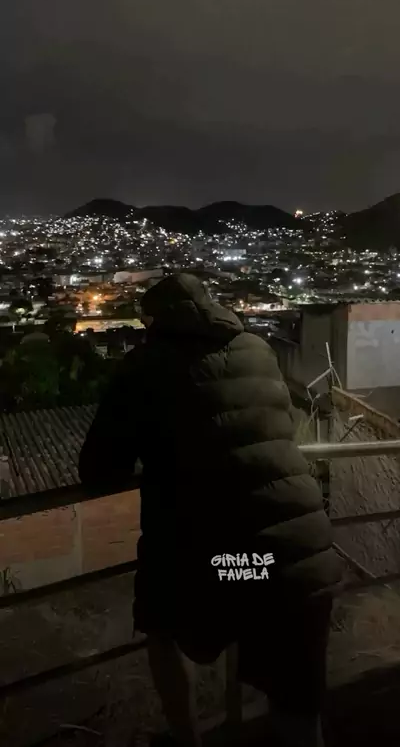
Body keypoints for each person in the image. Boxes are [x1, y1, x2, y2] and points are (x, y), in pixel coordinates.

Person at [78, 273, 344, 747]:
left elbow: (100, 469)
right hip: (302, 553)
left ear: (154, 320)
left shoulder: (144, 365)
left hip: (223, 559)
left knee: (161, 616)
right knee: (297, 704)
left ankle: (187, 738)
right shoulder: (258, 349)